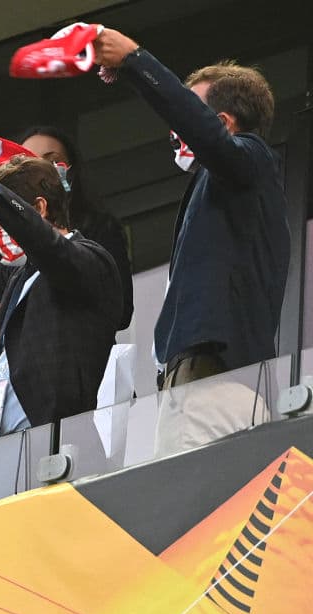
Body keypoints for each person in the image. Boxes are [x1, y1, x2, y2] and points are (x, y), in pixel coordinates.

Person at [92, 29, 289, 389]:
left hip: (214, 371)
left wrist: (134, 60)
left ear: (224, 123)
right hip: (194, 372)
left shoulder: (252, 157)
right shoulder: (221, 185)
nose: (177, 129)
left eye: (190, 112)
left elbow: (204, 135)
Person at [0, 141, 122, 444]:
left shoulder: (88, 260)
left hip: (53, 447)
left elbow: (48, 247)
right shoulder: (22, 276)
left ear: (39, 209)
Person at [19, 125, 134, 331]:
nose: (40, 171)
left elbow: (121, 310)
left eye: (51, 161)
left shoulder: (100, 228)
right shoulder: (9, 236)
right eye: (28, 164)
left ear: (71, 170)